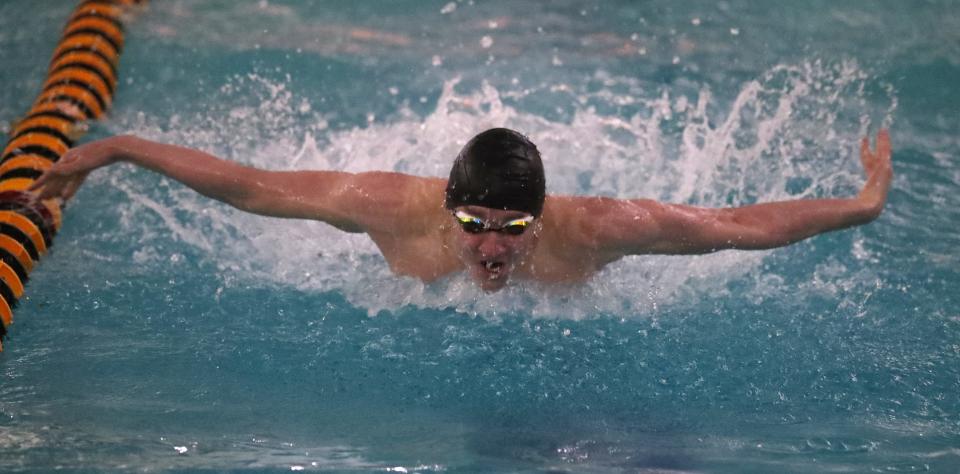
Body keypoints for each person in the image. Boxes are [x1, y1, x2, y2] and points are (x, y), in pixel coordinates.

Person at [30, 127, 892, 292]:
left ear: (541, 219)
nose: (490, 248)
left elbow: (736, 226)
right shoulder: (386, 208)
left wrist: (863, 202)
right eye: (475, 223)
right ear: (447, 211)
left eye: (513, 228)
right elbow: (253, 185)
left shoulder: (594, 231)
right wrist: (118, 149)